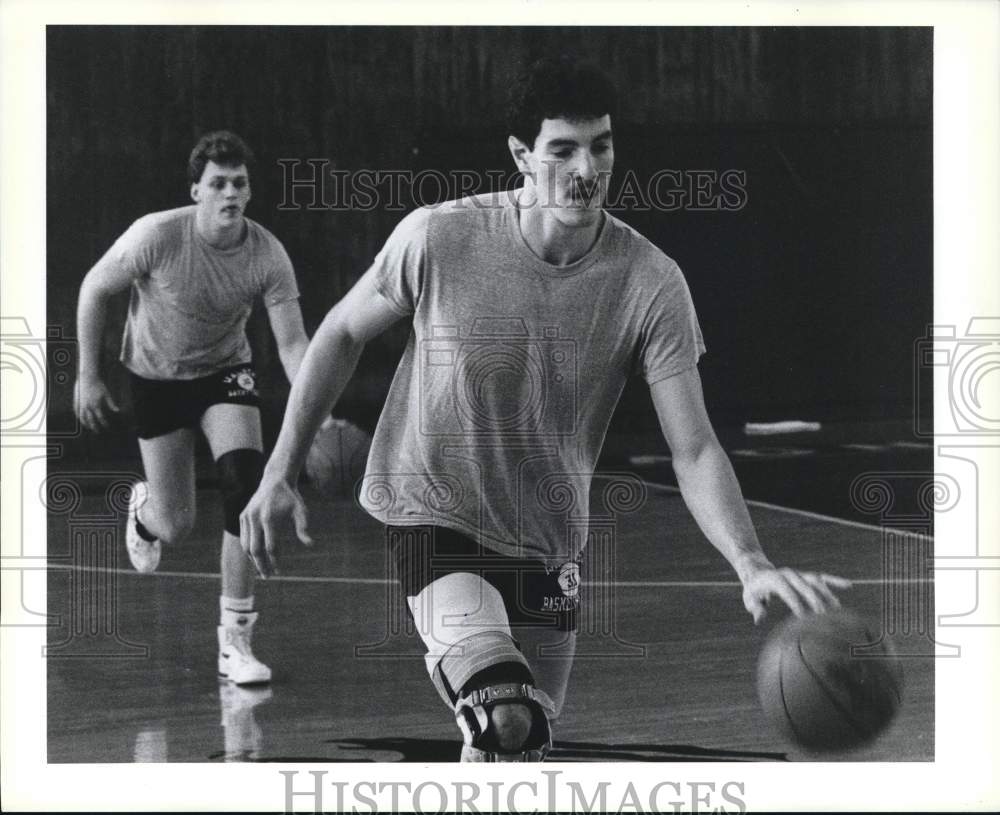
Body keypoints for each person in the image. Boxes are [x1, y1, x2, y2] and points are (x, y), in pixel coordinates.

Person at [240, 57, 851, 759]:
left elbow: (695, 447)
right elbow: (342, 333)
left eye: (602, 144)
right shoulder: (438, 237)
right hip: (434, 514)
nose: (587, 167)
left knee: (515, 750)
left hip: (547, 537)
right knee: (507, 716)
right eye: (563, 149)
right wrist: (280, 471)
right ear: (522, 156)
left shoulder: (650, 282)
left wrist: (750, 561)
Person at [75, 131, 310, 685]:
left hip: (226, 373)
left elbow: (295, 346)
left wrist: (316, 411)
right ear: (196, 191)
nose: (230, 193)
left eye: (240, 183)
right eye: (218, 184)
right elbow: (93, 289)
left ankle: (235, 641)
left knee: (243, 484)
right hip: (155, 379)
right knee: (177, 524)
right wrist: (87, 375)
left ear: (249, 191)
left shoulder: (267, 253)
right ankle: (145, 514)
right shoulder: (157, 235)